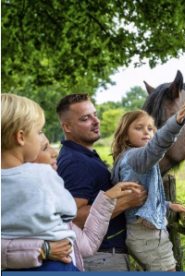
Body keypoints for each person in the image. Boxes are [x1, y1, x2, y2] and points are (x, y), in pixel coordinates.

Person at [1, 135, 142, 271]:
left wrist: (107, 198)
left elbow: (87, 245)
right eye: (44, 148)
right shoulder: (14, 202)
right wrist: (43, 249)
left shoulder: (52, 206)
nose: (55, 153)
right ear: (24, 159)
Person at [55, 93, 147, 271]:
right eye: (85, 118)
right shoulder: (76, 162)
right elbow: (72, 218)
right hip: (101, 258)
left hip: (103, 256)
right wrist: (124, 203)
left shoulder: (80, 155)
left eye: (95, 114)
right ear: (67, 127)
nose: (95, 121)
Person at [110, 101, 185, 271]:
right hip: (149, 236)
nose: (147, 132)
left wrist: (168, 205)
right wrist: (174, 125)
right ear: (125, 135)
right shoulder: (136, 157)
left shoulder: (125, 158)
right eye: (139, 128)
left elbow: (145, 198)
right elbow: (156, 148)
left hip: (139, 233)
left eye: (150, 128)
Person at [1, 93, 78, 271]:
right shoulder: (42, 174)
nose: (40, 138)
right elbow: (68, 212)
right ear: (21, 137)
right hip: (54, 263)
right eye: (38, 132)